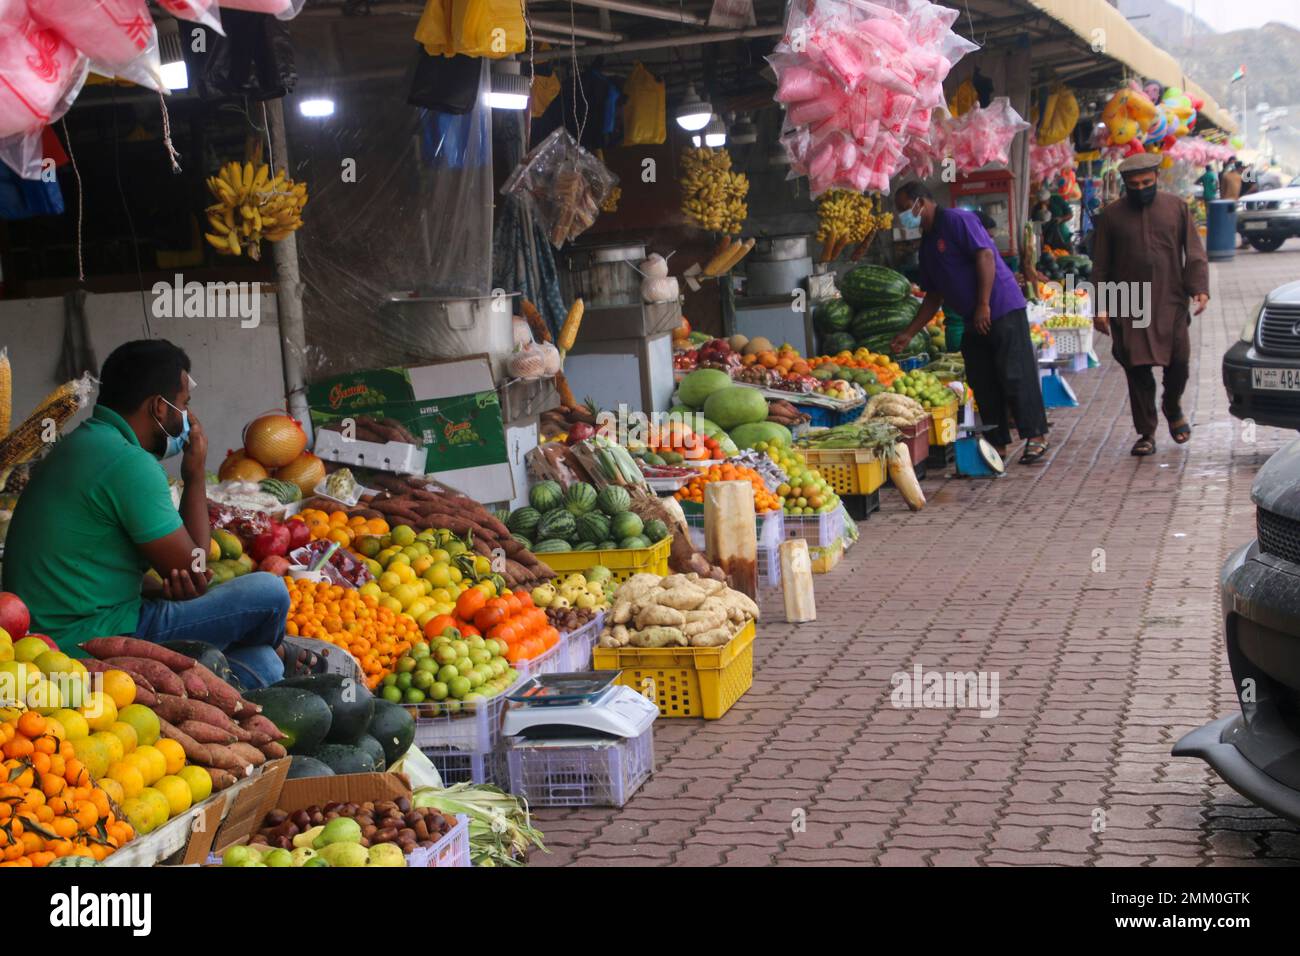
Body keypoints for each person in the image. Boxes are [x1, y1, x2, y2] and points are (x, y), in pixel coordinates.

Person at [3, 340, 291, 688]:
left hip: (46, 641)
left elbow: (95, 563)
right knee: (270, 592)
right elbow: (196, 570)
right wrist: (195, 473)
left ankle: (270, 656)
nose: (188, 419)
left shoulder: (82, 444)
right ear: (159, 407)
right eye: (184, 405)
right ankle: (280, 649)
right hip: (89, 640)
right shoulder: (128, 462)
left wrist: (157, 587)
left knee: (263, 666)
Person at [888, 181, 1050, 464]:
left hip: (1000, 307)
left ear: (921, 202)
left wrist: (984, 304)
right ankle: (997, 442)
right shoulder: (927, 244)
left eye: (904, 208)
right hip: (972, 317)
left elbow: (985, 255)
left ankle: (1035, 436)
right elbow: (933, 296)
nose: (904, 215)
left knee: (1016, 372)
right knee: (982, 377)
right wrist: (909, 333)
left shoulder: (956, 219)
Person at [1090, 153, 1209, 456]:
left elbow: (1194, 251)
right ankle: (1146, 432)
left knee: (1179, 360)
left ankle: (1172, 405)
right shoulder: (1111, 216)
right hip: (1129, 303)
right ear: (1125, 185)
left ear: (1156, 178)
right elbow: (1101, 265)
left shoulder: (1176, 207)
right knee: (1137, 368)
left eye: (1146, 182)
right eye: (1134, 184)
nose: (1141, 188)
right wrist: (1101, 306)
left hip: (1170, 298)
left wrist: (1199, 288)